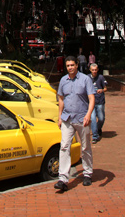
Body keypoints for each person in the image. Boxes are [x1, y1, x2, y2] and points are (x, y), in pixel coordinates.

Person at [54, 55, 95, 192]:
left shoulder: (85, 79)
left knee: (85, 147)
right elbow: (61, 99)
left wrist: (89, 114)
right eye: (68, 66)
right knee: (64, 146)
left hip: (82, 118)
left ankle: (88, 173)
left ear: (77, 65)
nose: (70, 68)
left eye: (72, 65)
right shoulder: (63, 80)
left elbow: (91, 98)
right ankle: (63, 179)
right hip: (67, 118)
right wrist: (59, 117)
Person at [89, 63, 107, 143]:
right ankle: (95, 136)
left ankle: (98, 128)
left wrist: (102, 90)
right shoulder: (87, 78)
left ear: (98, 70)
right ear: (90, 70)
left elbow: (105, 88)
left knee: (101, 118)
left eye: (95, 70)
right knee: (92, 119)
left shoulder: (101, 77)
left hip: (100, 101)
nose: (94, 71)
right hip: (91, 102)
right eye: (93, 70)